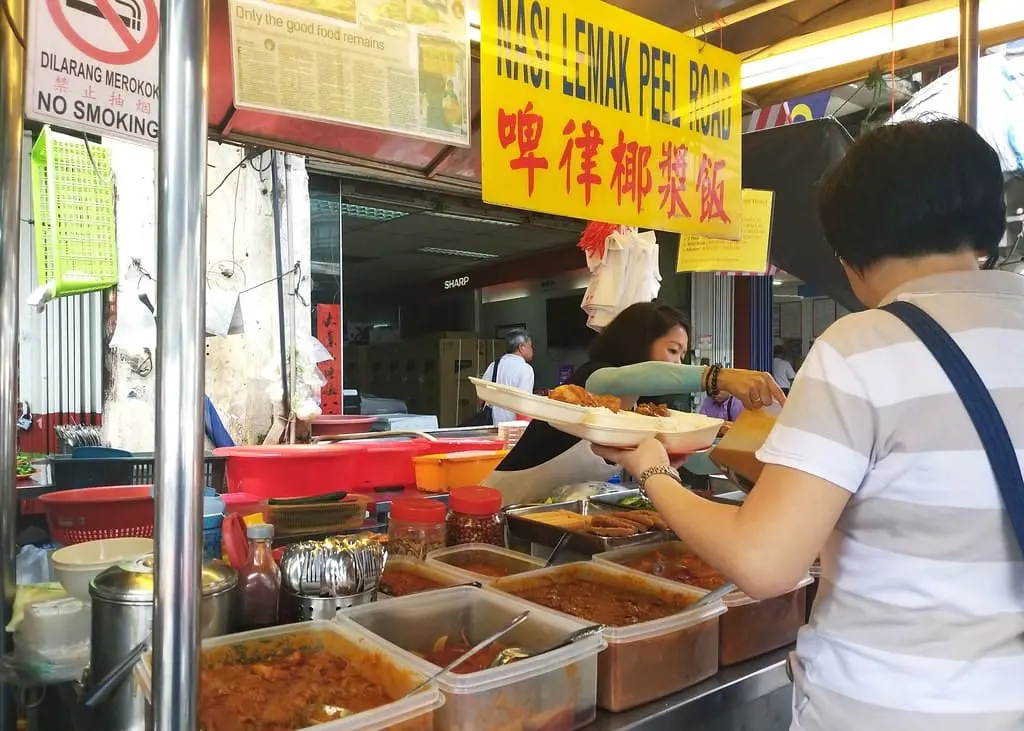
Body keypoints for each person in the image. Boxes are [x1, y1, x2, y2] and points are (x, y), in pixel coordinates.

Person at [594, 119, 1024, 730]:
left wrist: (653, 469)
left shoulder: (868, 342)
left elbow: (764, 562)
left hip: (885, 709)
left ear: (846, 251)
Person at [482, 302, 782, 504]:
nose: (679, 364)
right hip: (500, 506)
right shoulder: (595, 379)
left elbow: (693, 459)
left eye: (682, 355)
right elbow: (616, 382)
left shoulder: (642, 411)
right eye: (673, 351)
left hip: (553, 513)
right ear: (638, 342)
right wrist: (718, 376)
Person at [481, 329, 535, 424]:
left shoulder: (494, 365)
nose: (532, 350)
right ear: (521, 347)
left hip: (493, 426)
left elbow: (481, 396)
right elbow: (524, 404)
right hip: (513, 427)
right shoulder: (526, 369)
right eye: (530, 346)